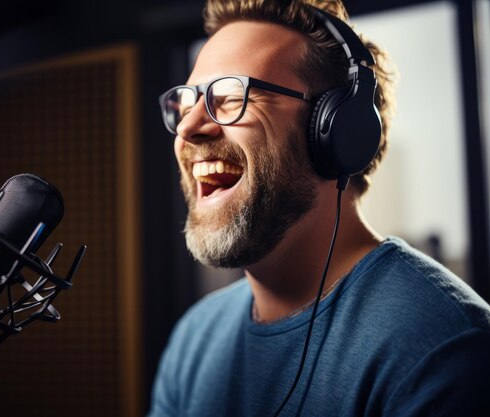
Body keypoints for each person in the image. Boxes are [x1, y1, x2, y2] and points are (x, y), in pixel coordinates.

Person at [148, 0, 490, 416]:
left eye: (232, 96)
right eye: (186, 104)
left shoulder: (441, 348)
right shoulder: (193, 340)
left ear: (334, 131)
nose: (187, 127)